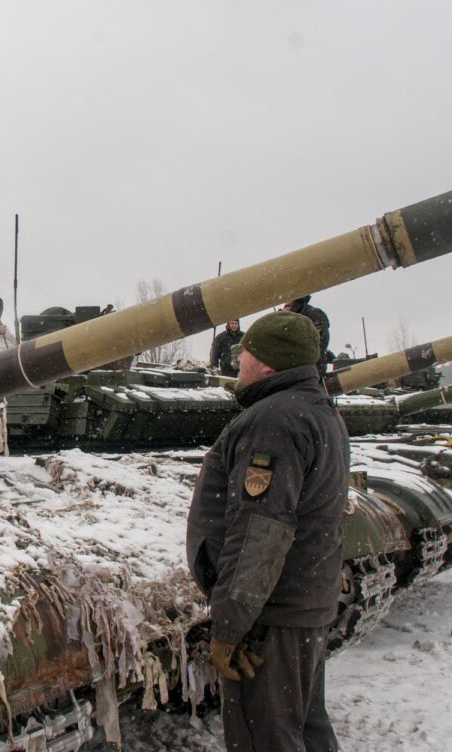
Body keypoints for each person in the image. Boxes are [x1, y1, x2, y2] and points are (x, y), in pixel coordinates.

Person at [186, 311, 347, 751]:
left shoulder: (273, 421)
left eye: (246, 354)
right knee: (305, 728)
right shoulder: (318, 411)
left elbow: (260, 535)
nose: (238, 361)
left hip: (269, 616)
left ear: (268, 365)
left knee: (265, 736)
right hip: (304, 603)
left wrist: (230, 625)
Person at [285, 296, 331, 374]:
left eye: (286, 306)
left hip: (310, 368)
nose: (284, 309)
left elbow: (320, 342)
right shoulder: (287, 319)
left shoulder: (313, 313)